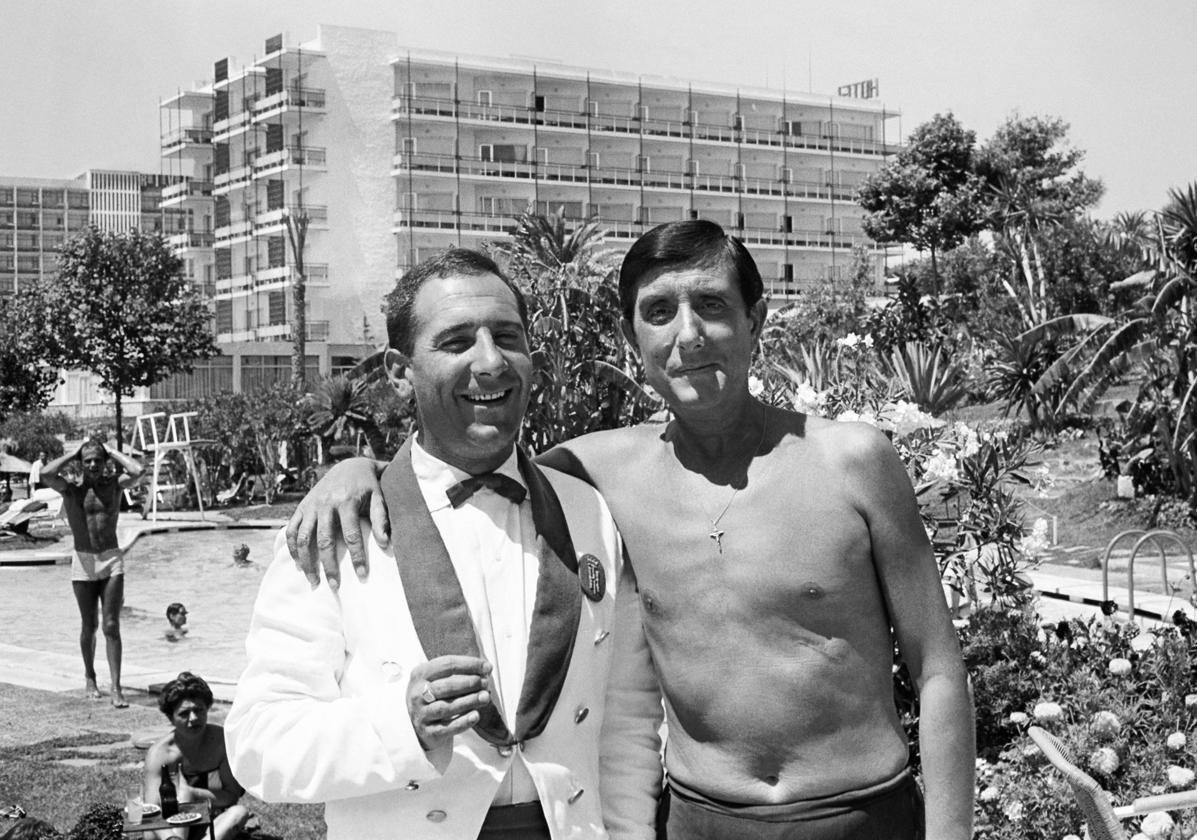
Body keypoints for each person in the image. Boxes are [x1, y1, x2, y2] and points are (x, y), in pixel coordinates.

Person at [290, 220, 975, 840]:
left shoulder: (851, 461)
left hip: (860, 813)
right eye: (658, 312)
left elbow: (938, 669)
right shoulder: (597, 473)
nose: (688, 335)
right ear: (630, 338)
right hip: (698, 822)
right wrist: (359, 468)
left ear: (754, 320)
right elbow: (459, 466)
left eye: (710, 304)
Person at [225, 249, 643, 840]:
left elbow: (623, 726)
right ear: (400, 371)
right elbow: (256, 745)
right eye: (456, 342)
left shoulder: (587, 511)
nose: (491, 361)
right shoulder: (338, 530)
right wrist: (402, 725)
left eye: (507, 336)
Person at [40, 437, 143, 708]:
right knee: (90, 625)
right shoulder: (72, 490)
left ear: (105, 461)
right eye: (88, 461)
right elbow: (45, 474)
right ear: (81, 463)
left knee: (111, 626)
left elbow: (138, 472)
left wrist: (113, 452)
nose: (94, 464)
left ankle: (117, 687)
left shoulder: (114, 485)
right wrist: (73, 454)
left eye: (98, 460)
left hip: (111, 558)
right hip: (83, 559)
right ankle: (90, 676)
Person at [144, 672, 251, 840]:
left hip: (206, 821)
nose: (193, 718)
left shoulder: (220, 742)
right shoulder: (160, 753)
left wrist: (193, 793)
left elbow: (231, 796)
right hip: (167, 828)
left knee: (239, 813)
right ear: (171, 719)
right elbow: (151, 811)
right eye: (184, 713)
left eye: (199, 710)